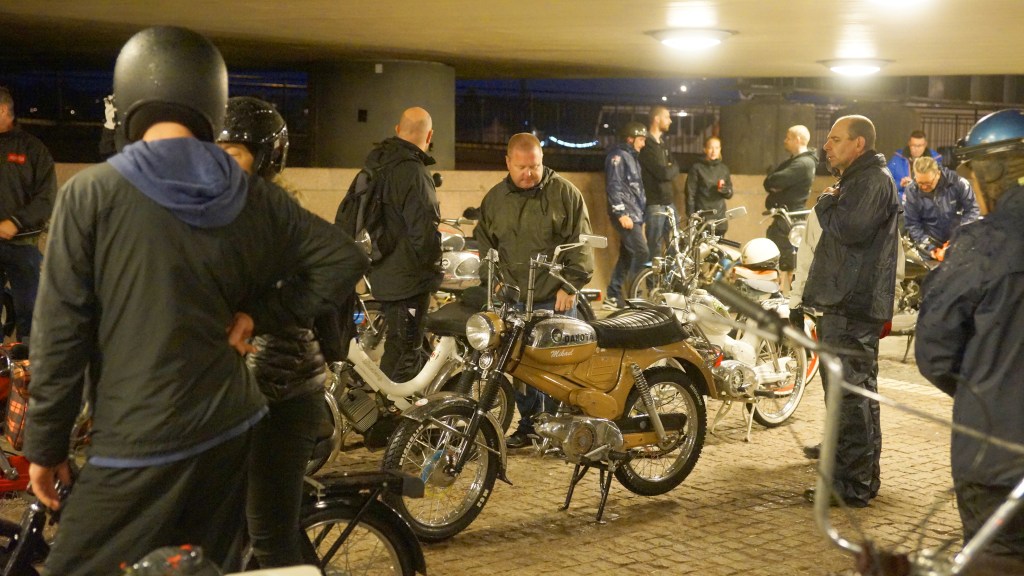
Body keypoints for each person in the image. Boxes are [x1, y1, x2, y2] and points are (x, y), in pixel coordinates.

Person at [23, 26, 367, 575]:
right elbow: (343, 259)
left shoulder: (91, 194)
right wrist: (260, 315)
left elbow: (60, 335)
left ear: (128, 99)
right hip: (229, 430)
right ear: (211, 102)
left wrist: (45, 446)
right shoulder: (252, 196)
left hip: (138, 435)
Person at [215, 95, 330, 568]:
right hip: (242, 395)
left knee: (268, 535)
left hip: (280, 397)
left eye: (233, 153)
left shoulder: (275, 223)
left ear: (264, 159)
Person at [916, 108, 1024, 558]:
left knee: (995, 560)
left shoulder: (982, 245)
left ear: (990, 173)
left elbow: (935, 352)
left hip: (996, 458)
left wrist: (985, 388)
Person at [801, 115, 899, 508]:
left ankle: (852, 485)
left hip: (851, 306)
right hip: (846, 304)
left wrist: (826, 201)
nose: (827, 146)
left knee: (850, 400)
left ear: (859, 144)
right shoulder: (861, 180)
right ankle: (855, 479)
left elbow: (849, 229)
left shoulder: (870, 181)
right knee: (852, 397)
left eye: (835, 139)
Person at [476, 133, 594, 449]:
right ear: (508, 163)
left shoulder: (565, 194)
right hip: (514, 299)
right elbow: (485, 245)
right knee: (521, 368)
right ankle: (529, 426)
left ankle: (558, 427)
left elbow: (581, 242)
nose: (529, 173)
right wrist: (493, 281)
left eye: (535, 166)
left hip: (555, 298)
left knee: (558, 366)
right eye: (521, 167)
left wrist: (570, 285)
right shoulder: (495, 199)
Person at [359, 107, 443, 383]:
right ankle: (388, 408)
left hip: (382, 271)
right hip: (408, 282)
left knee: (407, 347)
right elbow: (424, 233)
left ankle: (407, 401)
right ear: (429, 136)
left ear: (397, 130)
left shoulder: (378, 163)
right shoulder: (413, 172)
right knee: (405, 353)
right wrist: (434, 272)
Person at [0, 86, 56, 345]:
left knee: (30, 312)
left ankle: (29, 364)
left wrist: (16, 222)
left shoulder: (33, 149)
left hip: (23, 245)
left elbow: (47, 198)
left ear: (3, 110)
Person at [763, 125, 817, 289]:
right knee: (780, 257)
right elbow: (770, 182)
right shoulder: (795, 162)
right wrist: (772, 182)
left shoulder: (803, 164)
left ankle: (786, 296)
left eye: (788, 138)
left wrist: (773, 183)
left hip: (790, 220)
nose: (785, 141)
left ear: (798, 140)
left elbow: (773, 181)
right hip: (785, 218)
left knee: (786, 260)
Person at [604, 121, 648, 310]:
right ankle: (634, 296)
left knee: (627, 255)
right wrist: (621, 213)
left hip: (634, 214)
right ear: (630, 139)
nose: (643, 144)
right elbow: (614, 185)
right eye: (641, 139)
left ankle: (613, 296)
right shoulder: (618, 156)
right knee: (641, 252)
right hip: (626, 214)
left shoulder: (631, 157)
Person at [903, 155, 980, 260]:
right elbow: (912, 224)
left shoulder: (958, 183)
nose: (924, 187)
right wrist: (930, 249)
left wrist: (960, 236)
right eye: (920, 183)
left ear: (938, 174)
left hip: (958, 243)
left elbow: (973, 210)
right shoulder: (911, 191)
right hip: (929, 248)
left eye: (928, 183)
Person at [638, 105, 679, 258]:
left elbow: (676, 166)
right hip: (654, 203)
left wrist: (669, 169)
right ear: (656, 119)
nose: (670, 121)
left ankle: (671, 274)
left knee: (676, 244)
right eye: (667, 117)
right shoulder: (647, 145)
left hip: (669, 202)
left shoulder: (663, 144)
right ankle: (653, 275)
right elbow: (662, 173)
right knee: (654, 248)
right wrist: (668, 169)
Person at [685, 136, 734, 236]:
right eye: (710, 147)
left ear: (720, 149)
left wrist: (726, 191)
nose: (713, 151)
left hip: (719, 217)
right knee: (701, 245)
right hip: (702, 216)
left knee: (718, 245)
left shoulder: (724, 169)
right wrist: (692, 216)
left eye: (717, 148)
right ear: (705, 149)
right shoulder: (697, 168)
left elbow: (730, 193)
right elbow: (690, 194)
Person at [886, 129, 943, 202]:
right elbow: (886, 184)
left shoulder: (935, 159)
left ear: (925, 144)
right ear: (909, 143)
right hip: (902, 201)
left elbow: (940, 185)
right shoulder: (897, 158)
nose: (916, 149)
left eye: (919, 146)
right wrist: (900, 184)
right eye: (913, 145)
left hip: (926, 201)